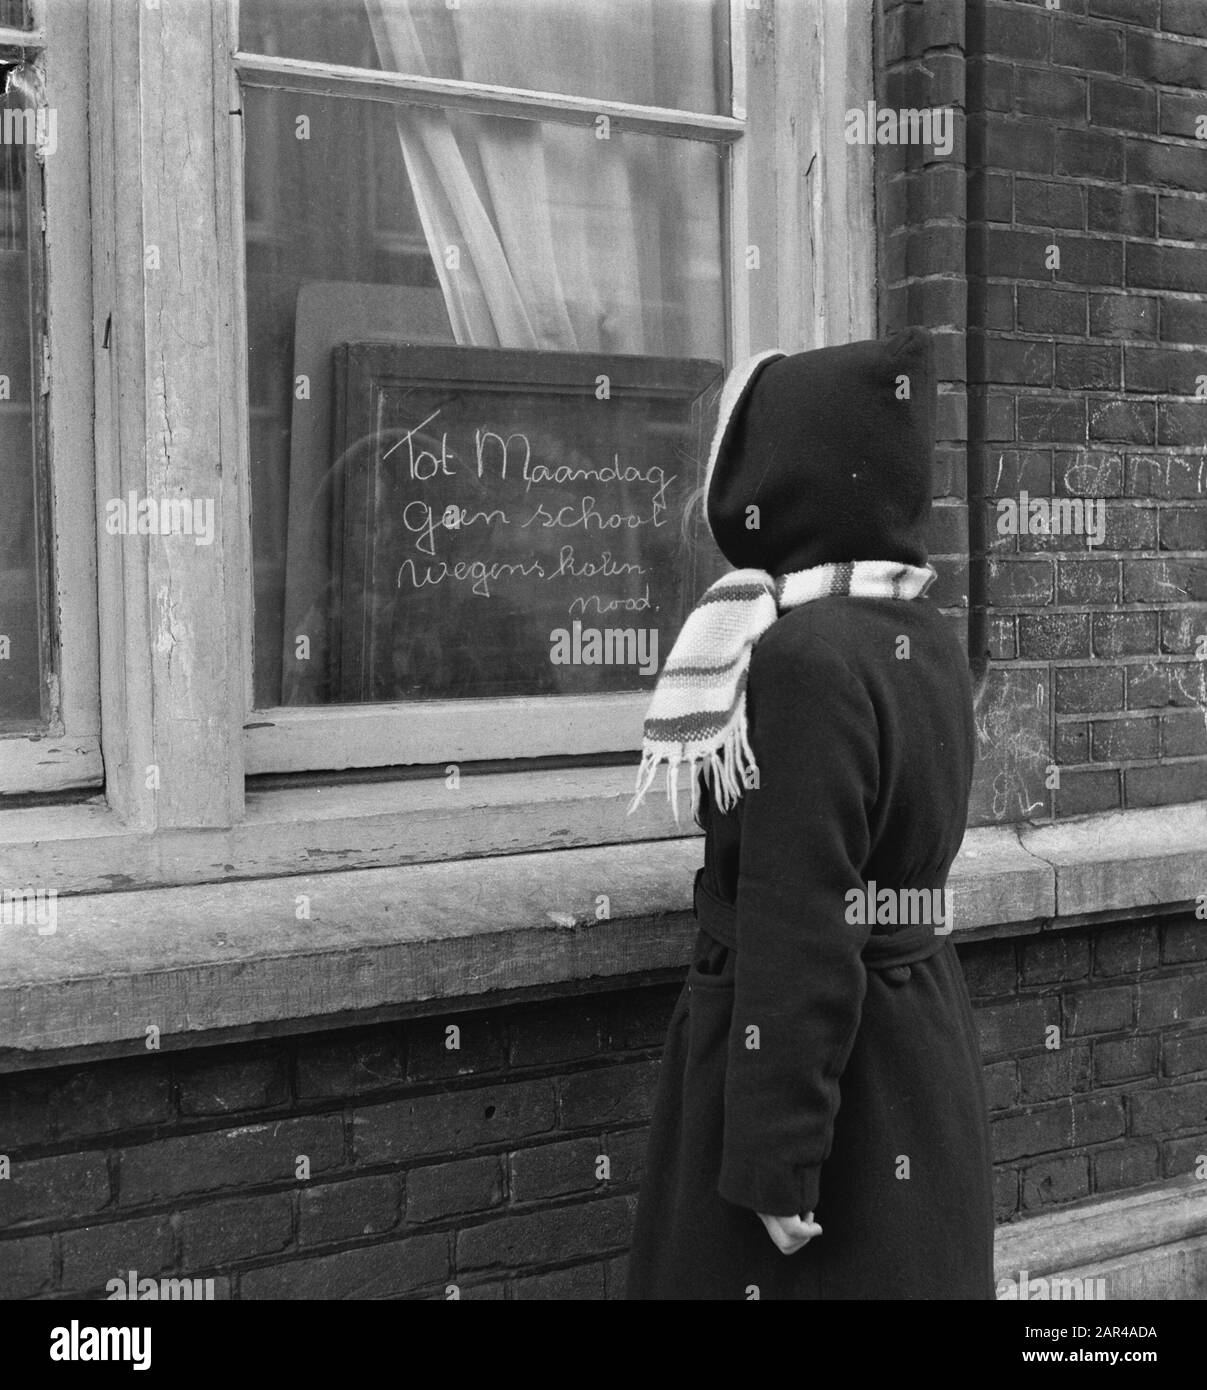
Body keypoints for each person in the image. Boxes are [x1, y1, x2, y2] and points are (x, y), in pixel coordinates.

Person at [626, 328, 994, 1300]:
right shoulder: (917, 630)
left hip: (823, 1088)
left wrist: (775, 1161)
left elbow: (801, 919)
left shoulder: (799, 658)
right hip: (910, 1050)